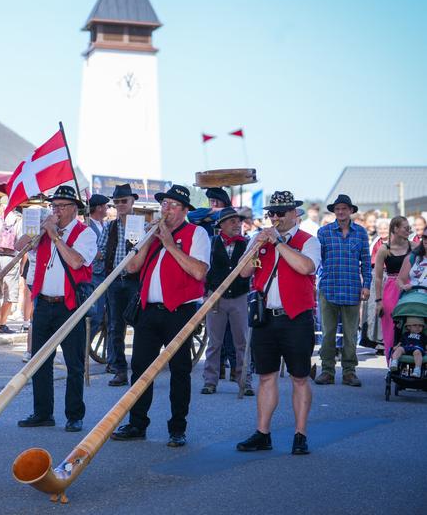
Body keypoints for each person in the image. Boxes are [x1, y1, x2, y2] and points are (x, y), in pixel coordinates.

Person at [112, 184, 210, 448]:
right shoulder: (152, 233)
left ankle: (177, 428)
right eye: (164, 204)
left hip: (180, 311)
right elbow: (132, 267)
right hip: (149, 310)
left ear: (184, 210)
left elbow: (199, 271)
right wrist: (150, 239)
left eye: (172, 205)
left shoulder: (197, 233)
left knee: (179, 370)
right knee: (140, 369)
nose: (166, 209)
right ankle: (137, 423)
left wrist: (169, 243)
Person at [236, 190, 321, 456]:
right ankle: (262, 433)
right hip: (266, 317)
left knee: (299, 377)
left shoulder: (309, 240)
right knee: (266, 376)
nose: (275, 217)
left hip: (296, 318)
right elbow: (242, 272)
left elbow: (306, 267)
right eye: (271, 213)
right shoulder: (260, 239)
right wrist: (255, 246)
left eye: (280, 212)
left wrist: (279, 243)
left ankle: (300, 434)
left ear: (295, 213)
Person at [15, 186, 96, 433]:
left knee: (74, 363)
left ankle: (74, 415)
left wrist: (55, 235)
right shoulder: (46, 231)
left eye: (61, 206)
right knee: (40, 361)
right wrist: (39, 230)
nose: (57, 210)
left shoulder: (85, 233)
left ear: (74, 209)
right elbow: (20, 247)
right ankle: (43, 412)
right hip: (43, 303)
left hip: (69, 306)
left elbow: (75, 261)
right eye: (54, 206)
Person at [314, 194, 371, 387]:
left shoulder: (361, 233)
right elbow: (316, 261)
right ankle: (327, 371)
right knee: (328, 333)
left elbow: (366, 262)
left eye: (344, 208)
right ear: (334, 211)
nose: (340, 212)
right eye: (337, 209)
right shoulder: (324, 232)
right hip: (329, 287)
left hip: (352, 287)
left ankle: (349, 372)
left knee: (350, 334)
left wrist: (367, 285)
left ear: (351, 211)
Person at [200, 208, 253, 395]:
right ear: (221, 225)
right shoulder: (212, 243)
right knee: (215, 342)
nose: (237, 224)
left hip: (239, 296)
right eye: (232, 221)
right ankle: (210, 381)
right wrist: (205, 293)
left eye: (238, 221)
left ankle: (244, 381)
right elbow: (205, 270)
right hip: (216, 296)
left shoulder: (247, 244)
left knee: (242, 341)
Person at [98, 183, 141, 386]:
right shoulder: (110, 226)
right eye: (117, 202)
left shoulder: (141, 225)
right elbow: (101, 251)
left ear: (132, 201)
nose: (120, 205)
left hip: (135, 281)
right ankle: (119, 369)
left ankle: (140, 368)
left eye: (124, 201)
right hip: (115, 280)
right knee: (115, 326)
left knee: (140, 325)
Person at [374, 216, 412, 363]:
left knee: (411, 323)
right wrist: (378, 301)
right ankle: (392, 363)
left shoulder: (414, 247)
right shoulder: (384, 249)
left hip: (410, 288)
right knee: (390, 327)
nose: (409, 230)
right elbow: (377, 277)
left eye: (409, 227)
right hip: (390, 288)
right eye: (405, 227)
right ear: (395, 229)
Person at [0, 198, 21, 334]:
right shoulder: (19, 220)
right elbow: (21, 242)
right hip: (12, 258)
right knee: (10, 294)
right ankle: (1, 323)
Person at [84, 193, 109, 367]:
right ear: (99, 208)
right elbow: (92, 252)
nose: (107, 209)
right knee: (95, 314)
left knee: (102, 314)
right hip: (94, 275)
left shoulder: (102, 225)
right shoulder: (88, 227)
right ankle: (83, 347)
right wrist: (103, 254)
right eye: (106, 206)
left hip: (104, 274)